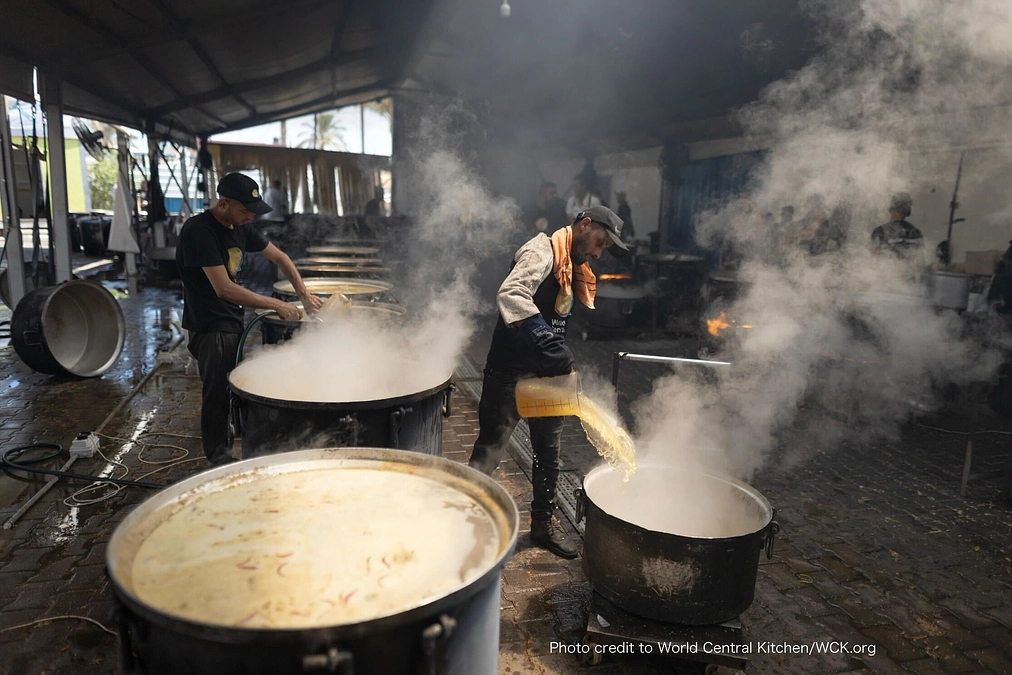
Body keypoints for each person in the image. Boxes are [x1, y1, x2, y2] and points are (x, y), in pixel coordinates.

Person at [468, 205, 629, 558]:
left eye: (603, 249)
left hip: (547, 376)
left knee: (548, 455)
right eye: (599, 242)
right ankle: (466, 526)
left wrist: (554, 354)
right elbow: (511, 294)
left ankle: (542, 526)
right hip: (508, 372)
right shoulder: (541, 250)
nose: (598, 253)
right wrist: (546, 341)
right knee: (488, 453)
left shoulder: (572, 267)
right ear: (585, 225)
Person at [176, 173, 323, 465]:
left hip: (231, 322)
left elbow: (280, 257)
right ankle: (219, 460)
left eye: (252, 211)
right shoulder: (199, 230)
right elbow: (224, 288)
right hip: (210, 324)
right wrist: (274, 304)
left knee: (230, 387)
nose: (249, 217)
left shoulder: (240, 226)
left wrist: (304, 295)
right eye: (245, 210)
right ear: (223, 203)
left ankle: (230, 443)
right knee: (217, 393)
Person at [871, 192, 923, 259]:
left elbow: (919, 258)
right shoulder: (880, 231)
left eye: (902, 209)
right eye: (899, 209)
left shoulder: (915, 232)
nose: (900, 212)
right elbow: (873, 255)